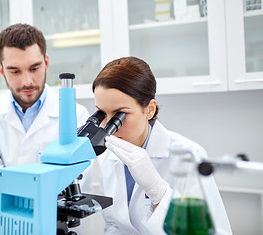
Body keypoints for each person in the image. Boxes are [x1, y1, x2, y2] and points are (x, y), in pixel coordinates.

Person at [0, 23, 89, 235]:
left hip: (52, 226)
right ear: (1, 70)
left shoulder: (76, 115)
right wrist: (6, 219)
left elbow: (73, 180)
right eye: (14, 71)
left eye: (34, 68)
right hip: (0, 226)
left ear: (46, 62)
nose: (27, 81)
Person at [92, 57, 232, 234]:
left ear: (149, 109)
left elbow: (214, 232)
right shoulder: (107, 156)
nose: (108, 127)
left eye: (120, 114)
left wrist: (158, 192)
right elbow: (114, 224)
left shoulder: (188, 155)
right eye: (101, 113)